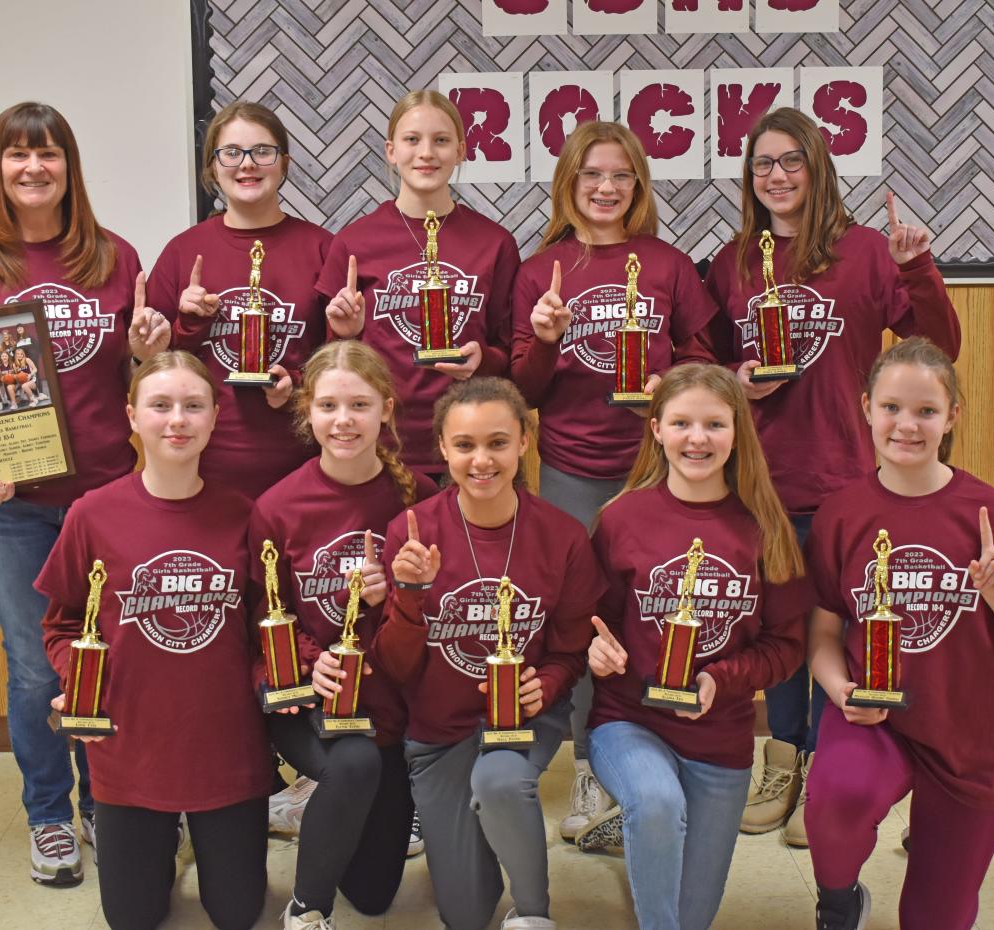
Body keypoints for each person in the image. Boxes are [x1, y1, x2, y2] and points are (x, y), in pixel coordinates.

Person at [0, 101, 169, 885]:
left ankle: (110, 804)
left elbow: (140, 375)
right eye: (17, 156)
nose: (32, 169)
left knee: (112, 658)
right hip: (9, 504)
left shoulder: (114, 257)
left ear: (68, 167)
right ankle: (51, 815)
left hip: (106, 497)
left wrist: (150, 350)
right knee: (37, 670)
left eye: (47, 155)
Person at [702, 107, 962, 844]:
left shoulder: (868, 253)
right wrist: (736, 378)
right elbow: (704, 363)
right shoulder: (733, 263)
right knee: (780, 629)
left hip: (847, 479)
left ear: (817, 167)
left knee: (845, 631)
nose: (776, 176)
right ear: (748, 179)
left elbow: (936, 347)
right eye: (761, 165)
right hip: (760, 483)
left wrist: (916, 265)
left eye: (791, 162)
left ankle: (825, 763)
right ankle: (780, 757)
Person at [804, 337, 994, 930]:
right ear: (865, 408)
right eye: (892, 407)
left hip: (970, 733)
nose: (907, 425)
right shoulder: (841, 513)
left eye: (926, 411)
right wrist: (841, 688)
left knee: (935, 919)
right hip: (874, 718)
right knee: (836, 802)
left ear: (952, 418)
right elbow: (821, 627)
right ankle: (839, 903)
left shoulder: (993, 516)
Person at [511, 120, 718, 842]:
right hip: (569, 471)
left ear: (638, 187)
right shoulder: (541, 271)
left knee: (647, 618)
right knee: (575, 624)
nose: (605, 188)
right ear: (567, 183)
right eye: (590, 175)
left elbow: (701, 361)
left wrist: (669, 383)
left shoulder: (666, 264)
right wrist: (541, 338)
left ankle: (652, 765)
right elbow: (524, 390)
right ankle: (589, 779)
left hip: (652, 475)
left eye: (620, 176)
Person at [38, 351, 273, 930]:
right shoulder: (92, 515)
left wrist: (272, 685)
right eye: (160, 405)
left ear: (215, 418)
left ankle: (200, 840)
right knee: (132, 919)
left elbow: (270, 630)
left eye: (194, 406)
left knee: (238, 915)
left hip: (226, 751)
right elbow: (63, 623)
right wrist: (80, 680)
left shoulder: (245, 515)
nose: (177, 420)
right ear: (131, 417)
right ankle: (160, 844)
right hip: (131, 750)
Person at [583, 364, 812, 929]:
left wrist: (722, 678)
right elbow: (585, 619)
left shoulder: (766, 529)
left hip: (720, 741)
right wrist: (594, 648)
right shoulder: (620, 518)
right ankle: (647, 813)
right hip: (627, 721)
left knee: (692, 916)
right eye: (682, 422)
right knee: (658, 807)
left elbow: (786, 647)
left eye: (714, 424)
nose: (698, 438)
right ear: (656, 429)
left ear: (737, 432)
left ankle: (644, 827)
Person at [373, 377, 606, 930]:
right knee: (465, 914)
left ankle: (533, 916)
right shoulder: (412, 533)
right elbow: (397, 667)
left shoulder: (564, 535)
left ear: (525, 441)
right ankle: (470, 834)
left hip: (522, 722)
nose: (482, 460)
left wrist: (546, 685)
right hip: (439, 732)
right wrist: (409, 595)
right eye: (465, 445)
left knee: (500, 782)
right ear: (444, 450)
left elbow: (572, 651)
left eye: (498, 442)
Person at [250, 340, 437, 930]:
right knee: (352, 763)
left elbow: (445, 611)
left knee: (376, 893)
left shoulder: (420, 499)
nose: (344, 421)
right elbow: (262, 613)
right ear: (307, 412)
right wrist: (311, 662)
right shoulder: (277, 506)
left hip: (388, 702)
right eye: (328, 405)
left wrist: (398, 599)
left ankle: (332, 809)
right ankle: (307, 910)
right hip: (307, 697)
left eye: (358, 405)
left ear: (385, 408)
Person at [318, 89, 521, 476]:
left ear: (461, 150)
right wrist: (345, 334)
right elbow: (328, 362)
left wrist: (483, 361)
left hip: (468, 448)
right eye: (412, 140)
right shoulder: (354, 242)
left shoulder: (495, 243)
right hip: (379, 447)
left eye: (441, 141)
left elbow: (509, 349)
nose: (426, 153)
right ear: (391, 151)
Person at [148, 100, 331, 499]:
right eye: (231, 153)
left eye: (262, 152)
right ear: (213, 167)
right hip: (201, 470)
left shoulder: (322, 248)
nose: (246, 164)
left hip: (303, 467)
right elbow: (153, 368)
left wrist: (296, 385)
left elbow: (341, 359)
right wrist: (188, 325)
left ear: (284, 163)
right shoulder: (182, 252)